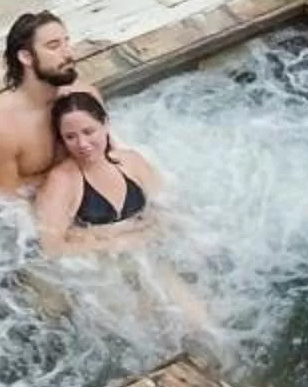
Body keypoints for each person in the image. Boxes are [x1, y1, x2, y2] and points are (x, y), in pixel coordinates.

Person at [32, 88, 211, 335]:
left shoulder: (131, 162)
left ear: (105, 125)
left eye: (88, 131)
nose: (82, 144)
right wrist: (118, 240)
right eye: (70, 137)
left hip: (145, 257)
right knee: (150, 333)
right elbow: (52, 249)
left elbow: (166, 207)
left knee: (201, 324)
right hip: (100, 272)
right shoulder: (62, 181)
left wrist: (175, 234)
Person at [0, 10, 78, 195]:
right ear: (26, 58)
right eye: (54, 46)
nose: (69, 53)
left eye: (67, 42)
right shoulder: (0, 131)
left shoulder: (83, 96)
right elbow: (7, 205)